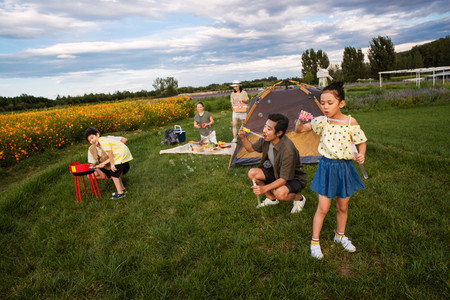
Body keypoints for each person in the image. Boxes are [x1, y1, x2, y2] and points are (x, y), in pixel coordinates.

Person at [295, 81, 367, 259]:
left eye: (330, 103)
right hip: (327, 167)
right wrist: (300, 120)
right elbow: (299, 130)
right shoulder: (321, 122)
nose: (325, 107)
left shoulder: (351, 122)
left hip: (346, 168)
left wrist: (362, 154)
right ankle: (315, 242)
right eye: (323, 102)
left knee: (343, 206)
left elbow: (361, 141)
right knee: (323, 208)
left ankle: (340, 236)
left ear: (341, 103)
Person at [238, 113, 307, 213]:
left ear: (279, 133)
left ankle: (299, 198)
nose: (264, 131)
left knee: (279, 193)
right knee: (252, 173)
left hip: (294, 178)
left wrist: (264, 189)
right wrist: (243, 138)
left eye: (269, 129)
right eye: (265, 126)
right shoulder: (266, 139)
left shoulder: (288, 150)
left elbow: (283, 179)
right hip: (276, 172)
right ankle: (272, 199)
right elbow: (250, 148)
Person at [85, 127, 133, 200]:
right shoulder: (97, 144)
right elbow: (111, 155)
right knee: (114, 173)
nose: (91, 141)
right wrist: (103, 163)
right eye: (89, 140)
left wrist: (113, 164)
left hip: (121, 156)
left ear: (97, 135)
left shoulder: (103, 140)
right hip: (118, 157)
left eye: (92, 137)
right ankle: (122, 189)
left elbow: (110, 153)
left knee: (114, 173)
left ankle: (120, 193)